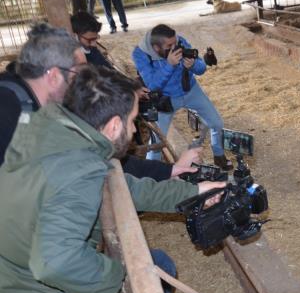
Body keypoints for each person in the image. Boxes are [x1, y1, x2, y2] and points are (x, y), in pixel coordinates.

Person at [0, 65, 225, 293]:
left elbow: (124, 187)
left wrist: (194, 193)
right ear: (114, 125)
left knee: (156, 262)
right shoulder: (78, 171)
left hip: (14, 277)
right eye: (132, 121)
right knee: (157, 271)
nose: (133, 130)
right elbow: (55, 263)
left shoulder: (57, 135)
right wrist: (118, 277)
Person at [0, 23, 198, 180]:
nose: (87, 81)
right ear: (52, 76)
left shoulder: (59, 104)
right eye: (80, 73)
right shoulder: (7, 111)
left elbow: (101, 153)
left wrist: (169, 170)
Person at [133, 24, 232, 169]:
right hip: (165, 100)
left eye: (176, 42)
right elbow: (152, 85)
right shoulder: (140, 54)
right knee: (157, 141)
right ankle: (150, 173)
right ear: (156, 47)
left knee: (216, 123)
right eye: (170, 45)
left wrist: (193, 65)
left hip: (191, 90)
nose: (176, 47)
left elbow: (201, 68)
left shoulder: (179, 41)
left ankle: (219, 156)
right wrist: (169, 65)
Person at [0, 24, 86, 166]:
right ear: (54, 77)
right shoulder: (7, 115)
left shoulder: (27, 96)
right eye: (78, 75)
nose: (82, 84)